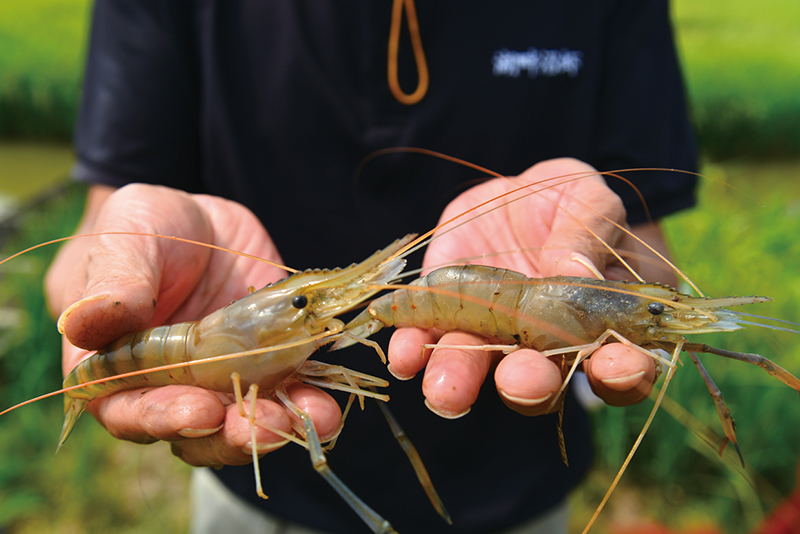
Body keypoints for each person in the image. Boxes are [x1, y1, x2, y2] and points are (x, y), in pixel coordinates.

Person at [45, 1, 698, 533]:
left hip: (518, 500)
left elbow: (652, 262)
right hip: (258, 502)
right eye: (302, 300)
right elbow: (89, 248)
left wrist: (593, 262)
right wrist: (105, 290)